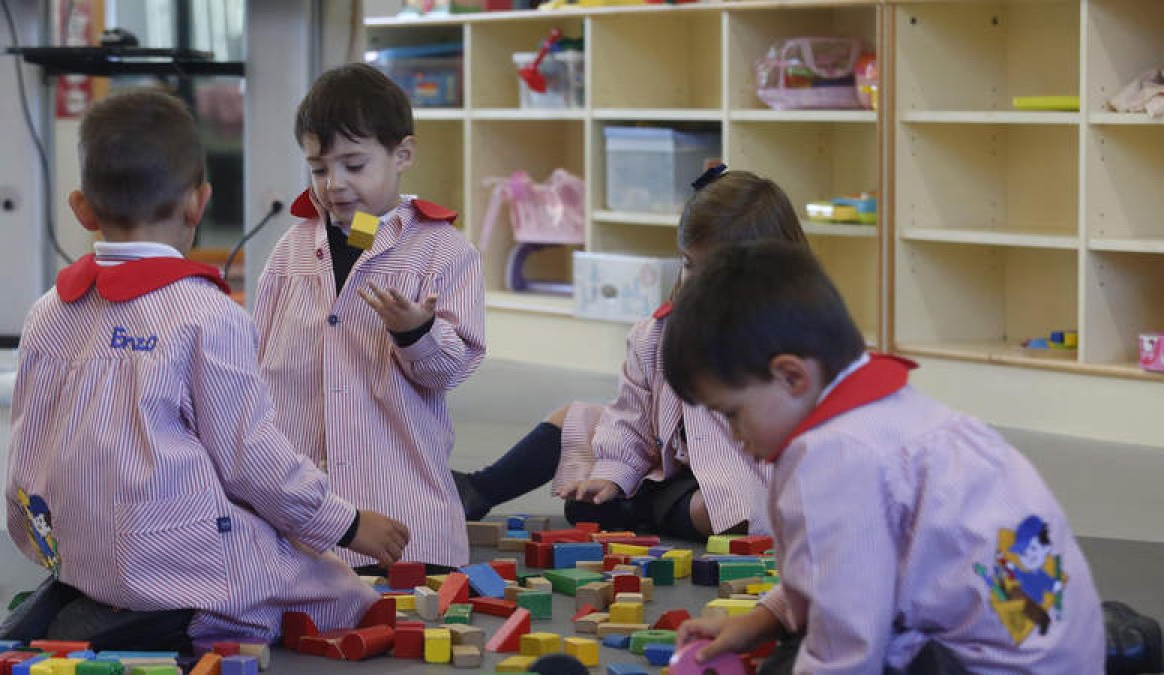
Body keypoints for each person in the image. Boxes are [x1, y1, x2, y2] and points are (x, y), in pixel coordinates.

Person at [5, 89, 407, 645]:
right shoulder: (205, 315)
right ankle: (178, 619)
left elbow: (26, 442)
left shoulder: (47, 310)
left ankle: (98, 593)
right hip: (160, 550)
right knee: (334, 588)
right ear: (199, 203)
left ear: (82, 208)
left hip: (67, 544)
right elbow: (253, 461)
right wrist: (346, 522)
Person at [663, 241, 1103, 673]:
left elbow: (846, 644)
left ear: (791, 376)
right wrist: (762, 620)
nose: (735, 437)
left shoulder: (832, 459)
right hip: (1059, 650)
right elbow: (838, 567)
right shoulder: (886, 412)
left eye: (732, 415)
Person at [454, 168, 802, 540]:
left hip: (736, 478)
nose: (697, 282)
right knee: (570, 418)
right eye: (689, 265)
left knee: (730, 515)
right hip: (662, 461)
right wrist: (613, 474)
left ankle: (636, 509)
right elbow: (630, 416)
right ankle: (479, 488)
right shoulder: (655, 334)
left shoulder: (789, 344)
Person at [254, 63, 485, 571]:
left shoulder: (443, 251)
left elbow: (452, 367)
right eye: (319, 168)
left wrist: (416, 333)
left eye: (354, 165)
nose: (334, 184)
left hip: (402, 514)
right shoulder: (291, 249)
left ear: (402, 154)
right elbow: (256, 357)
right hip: (298, 517)